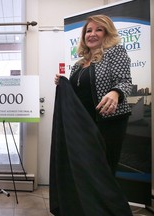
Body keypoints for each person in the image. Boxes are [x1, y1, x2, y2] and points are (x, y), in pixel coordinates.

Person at [55, 14, 132, 175]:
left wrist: (115, 93)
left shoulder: (115, 52)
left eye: (99, 29)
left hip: (108, 122)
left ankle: (106, 201)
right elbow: (77, 92)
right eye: (88, 30)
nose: (92, 34)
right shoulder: (79, 64)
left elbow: (125, 81)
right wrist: (63, 83)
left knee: (103, 171)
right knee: (85, 171)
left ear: (107, 33)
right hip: (83, 124)